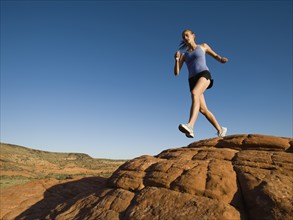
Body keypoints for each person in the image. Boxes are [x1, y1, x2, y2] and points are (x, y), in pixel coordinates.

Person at [174, 29, 228, 138]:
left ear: (193, 35)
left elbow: (215, 55)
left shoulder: (203, 46)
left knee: (195, 93)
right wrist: (176, 60)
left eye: (187, 35)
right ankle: (220, 129)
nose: (185, 38)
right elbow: (176, 73)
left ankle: (190, 126)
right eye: (183, 37)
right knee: (203, 109)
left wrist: (221, 59)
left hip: (204, 75)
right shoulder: (184, 55)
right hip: (192, 80)